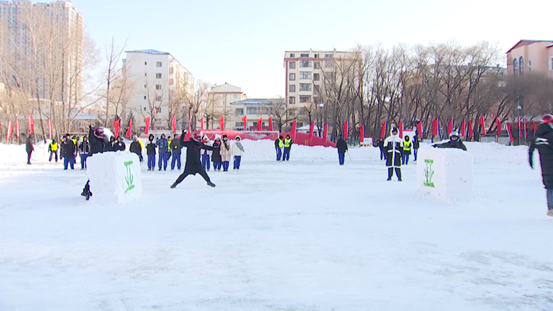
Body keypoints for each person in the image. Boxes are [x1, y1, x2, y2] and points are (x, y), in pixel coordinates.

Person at [529, 115, 553, 216]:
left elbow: (531, 150)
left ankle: (551, 208)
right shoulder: (551, 135)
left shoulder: (537, 137)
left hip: (545, 165)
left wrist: (531, 162)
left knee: (549, 186)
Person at [81, 125, 110, 200]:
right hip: (93, 159)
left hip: (100, 160)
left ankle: (89, 190)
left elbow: (107, 146)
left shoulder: (102, 140)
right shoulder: (94, 140)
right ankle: (87, 191)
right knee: (93, 176)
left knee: (98, 176)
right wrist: (91, 130)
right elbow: (90, 138)